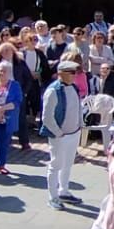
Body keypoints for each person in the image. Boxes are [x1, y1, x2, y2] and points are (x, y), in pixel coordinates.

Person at [42, 60, 85, 209]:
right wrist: (58, 133)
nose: (74, 75)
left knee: (67, 164)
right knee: (56, 165)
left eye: (75, 72)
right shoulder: (53, 91)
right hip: (60, 136)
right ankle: (53, 197)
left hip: (74, 132)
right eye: (71, 72)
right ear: (61, 73)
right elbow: (47, 117)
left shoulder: (73, 87)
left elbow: (78, 107)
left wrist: (80, 124)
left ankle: (64, 191)